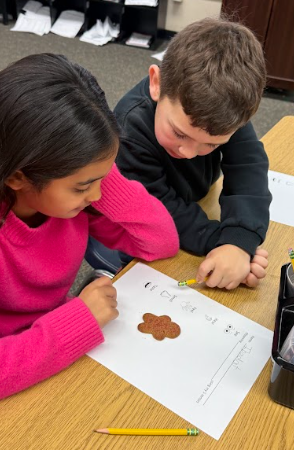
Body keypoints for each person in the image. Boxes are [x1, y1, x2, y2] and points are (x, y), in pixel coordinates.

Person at [0, 53, 179, 401]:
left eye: (101, 180)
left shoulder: (73, 207)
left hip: (53, 342)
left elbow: (160, 241)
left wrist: (101, 178)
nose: (96, 195)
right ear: (18, 175)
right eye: (82, 186)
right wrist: (77, 323)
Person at [114, 16, 272, 290]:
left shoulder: (226, 112)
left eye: (210, 145)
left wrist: (239, 239)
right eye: (179, 133)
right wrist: (220, 241)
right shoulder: (130, 128)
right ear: (156, 83)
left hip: (197, 203)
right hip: (139, 225)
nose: (189, 153)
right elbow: (154, 206)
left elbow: (248, 165)